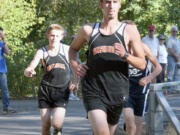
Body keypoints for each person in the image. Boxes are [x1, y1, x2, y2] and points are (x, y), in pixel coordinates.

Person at [69, 0, 146, 134]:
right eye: (107, 2)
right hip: (93, 90)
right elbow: (73, 49)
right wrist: (75, 65)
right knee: (102, 132)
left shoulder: (129, 30)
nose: (111, 5)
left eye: (115, 2)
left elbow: (142, 64)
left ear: (120, 4)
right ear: (100, 4)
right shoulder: (88, 30)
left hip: (117, 92)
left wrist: (125, 55)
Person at [24, 24, 78, 135]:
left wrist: (77, 83)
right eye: (52, 35)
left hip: (62, 91)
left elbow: (78, 68)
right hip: (45, 90)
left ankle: (58, 131)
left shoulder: (67, 50)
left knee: (57, 124)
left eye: (57, 36)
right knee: (45, 124)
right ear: (47, 35)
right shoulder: (42, 51)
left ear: (62, 37)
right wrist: (28, 71)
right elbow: (31, 66)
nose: (54, 38)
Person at [123, 43, 162, 135]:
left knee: (138, 125)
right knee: (130, 122)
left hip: (141, 91)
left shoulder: (143, 47)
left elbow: (158, 67)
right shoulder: (121, 47)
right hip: (125, 90)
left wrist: (148, 79)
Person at [0, 26, 16, 114]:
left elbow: (8, 53)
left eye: (1, 33)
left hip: (1, 71)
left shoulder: (1, 43)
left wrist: (4, 41)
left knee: (4, 90)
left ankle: (7, 107)